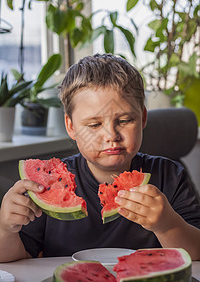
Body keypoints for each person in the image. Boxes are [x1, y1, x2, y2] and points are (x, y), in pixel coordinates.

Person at [0, 53, 200, 263]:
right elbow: (12, 258)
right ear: (71, 126)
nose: (111, 136)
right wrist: (6, 229)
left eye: (124, 120)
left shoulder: (171, 176)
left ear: (142, 118)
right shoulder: (46, 185)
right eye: (94, 125)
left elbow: (197, 254)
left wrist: (168, 225)